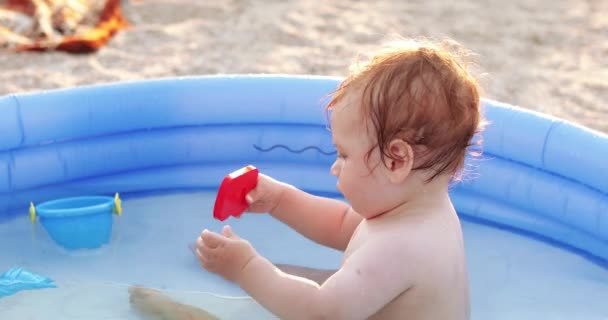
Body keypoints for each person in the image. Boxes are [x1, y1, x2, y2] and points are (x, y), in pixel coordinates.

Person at [130, 37, 485, 320]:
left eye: (344, 155)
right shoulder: (418, 214)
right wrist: (280, 200)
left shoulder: (400, 247)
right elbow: (345, 226)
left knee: (307, 289)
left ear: (396, 160)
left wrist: (246, 269)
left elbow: (322, 312)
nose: (335, 167)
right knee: (312, 278)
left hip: (328, 311)